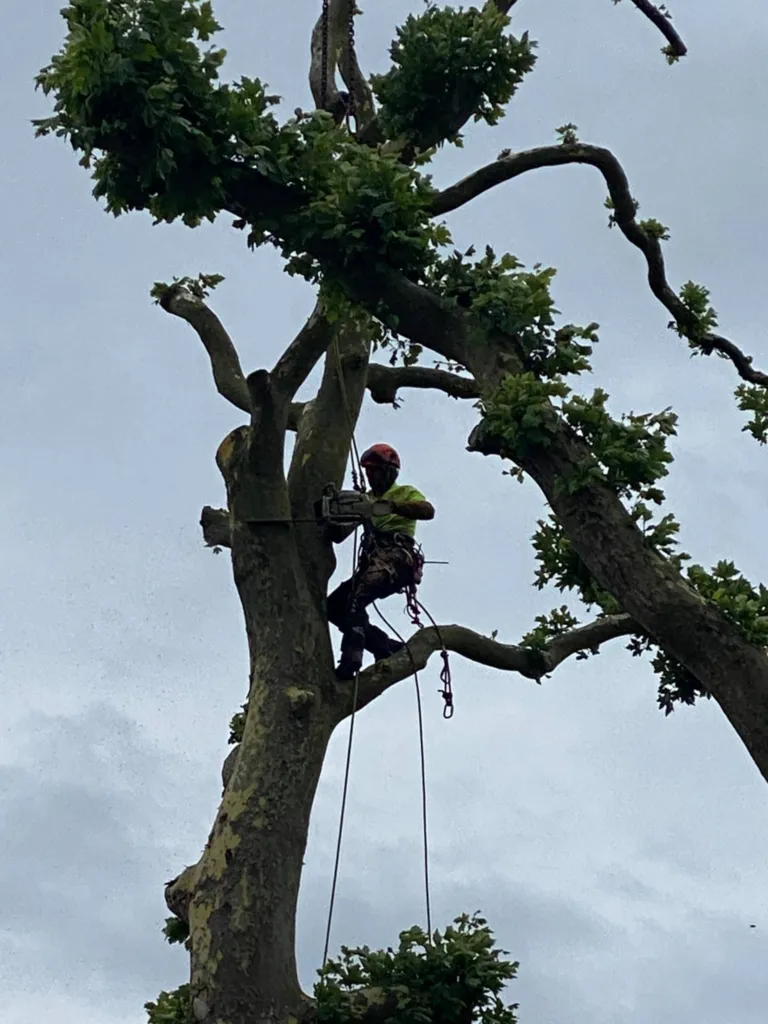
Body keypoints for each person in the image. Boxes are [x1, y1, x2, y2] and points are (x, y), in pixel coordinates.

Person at [326, 443, 435, 679]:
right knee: (334, 606)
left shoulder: (404, 492)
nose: (370, 476)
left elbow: (428, 511)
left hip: (397, 559)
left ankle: (351, 659)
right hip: (373, 562)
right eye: (368, 471)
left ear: (388, 472)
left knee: (357, 598)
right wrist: (336, 516)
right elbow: (340, 534)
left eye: (374, 471)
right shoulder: (365, 500)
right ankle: (383, 645)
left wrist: (391, 507)